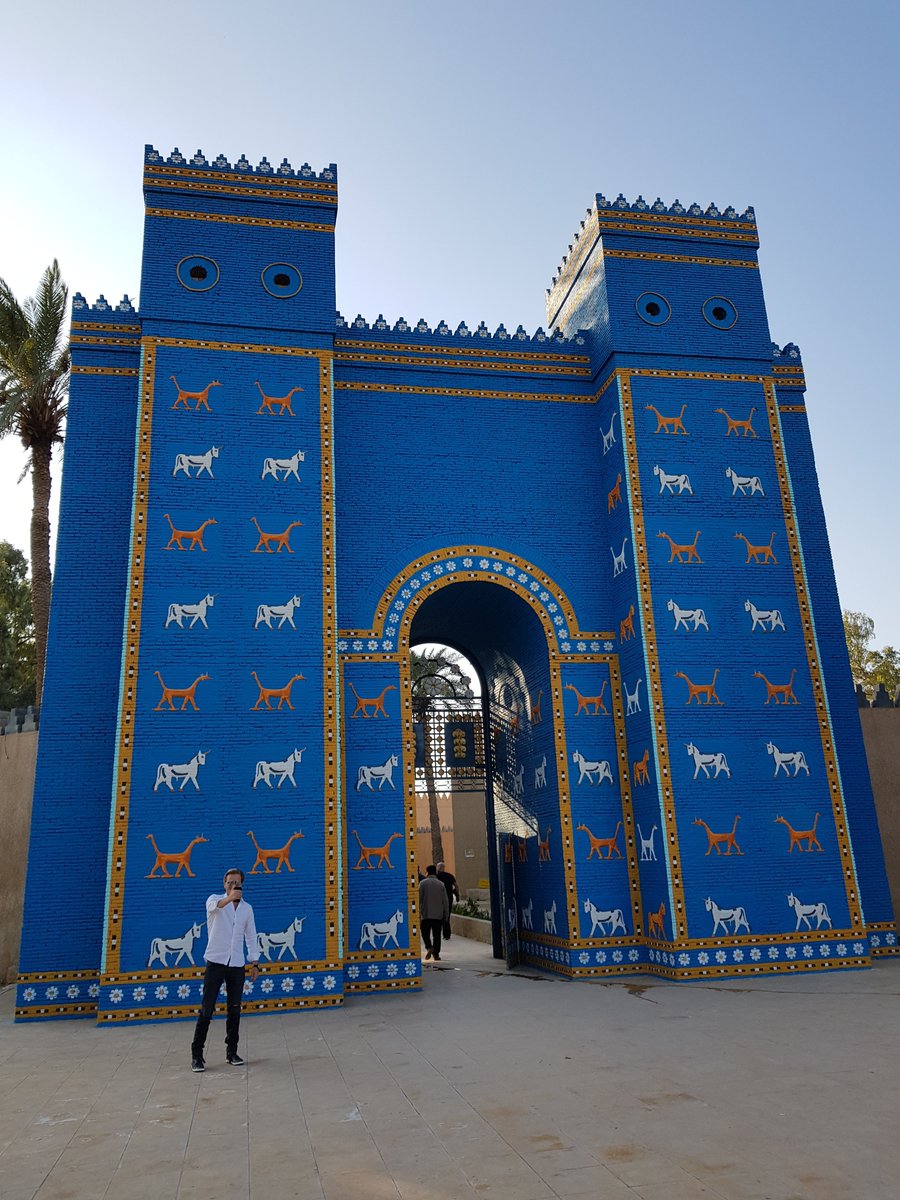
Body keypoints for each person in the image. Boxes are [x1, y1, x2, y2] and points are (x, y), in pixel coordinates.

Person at [191, 868, 260, 1072]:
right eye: (229, 882)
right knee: (207, 1008)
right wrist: (229, 898)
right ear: (224, 884)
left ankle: (232, 1052)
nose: (233, 886)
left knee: (235, 1008)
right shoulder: (215, 900)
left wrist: (254, 962)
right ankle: (197, 1054)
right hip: (215, 961)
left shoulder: (247, 909)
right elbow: (215, 907)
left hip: (236, 964)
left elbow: (251, 936)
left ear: (242, 884)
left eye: (237, 883)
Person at [419, 864, 450, 961]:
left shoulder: (422, 883)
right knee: (437, 935)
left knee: (425, 933)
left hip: (426, 915)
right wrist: (446, 915)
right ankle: (436, 954)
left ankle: (429, 947)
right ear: (436, 872)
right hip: (438, 915)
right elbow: (445, 901)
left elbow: (418, 899)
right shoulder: (441, 884)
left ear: (427, 872)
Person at [435, 861, 460, 940]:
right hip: (449, 898)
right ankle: (447, 934)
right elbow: (456, 886)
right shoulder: (450, 876)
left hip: (439, 899)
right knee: (447, 916)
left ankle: (441, 933)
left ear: (438, 868)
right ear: (444, 868)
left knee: (439, 916)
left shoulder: (436, 876)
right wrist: (457, 895)